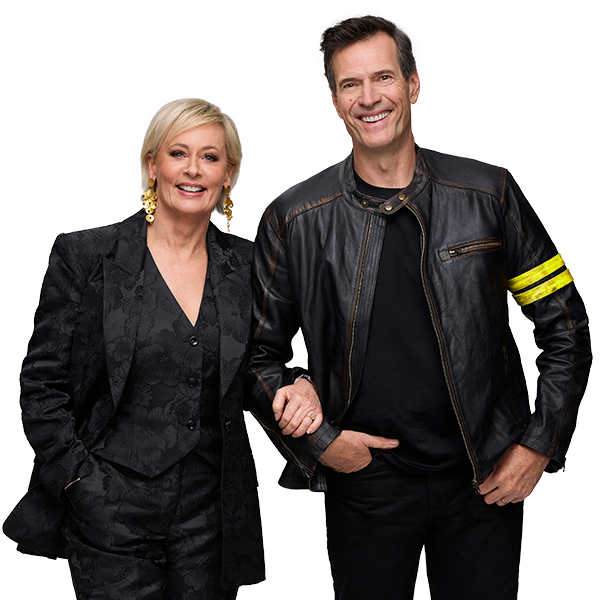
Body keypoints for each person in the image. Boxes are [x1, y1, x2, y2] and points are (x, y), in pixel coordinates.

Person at [246, 15, 592, 600]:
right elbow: (257, 357)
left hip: (483, 480)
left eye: (383, 77)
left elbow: (565, 327)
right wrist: (323, 443)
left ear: (412, 84)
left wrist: (540, 443)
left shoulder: (489, 195)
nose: (369, 97)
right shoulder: (294, 219)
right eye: (351, 84)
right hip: (365, 482)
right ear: (334, 100)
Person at [3, 98, 264, 599]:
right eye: (178, 153)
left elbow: (261, 370)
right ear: (152, 165)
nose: (193, 169)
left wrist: (302, 390)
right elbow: (42, 384)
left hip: (210, 518)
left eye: (210, 157)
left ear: (228, 174)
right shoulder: (85, 256)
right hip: (108, 511)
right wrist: (80, 483)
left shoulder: (250, 266)